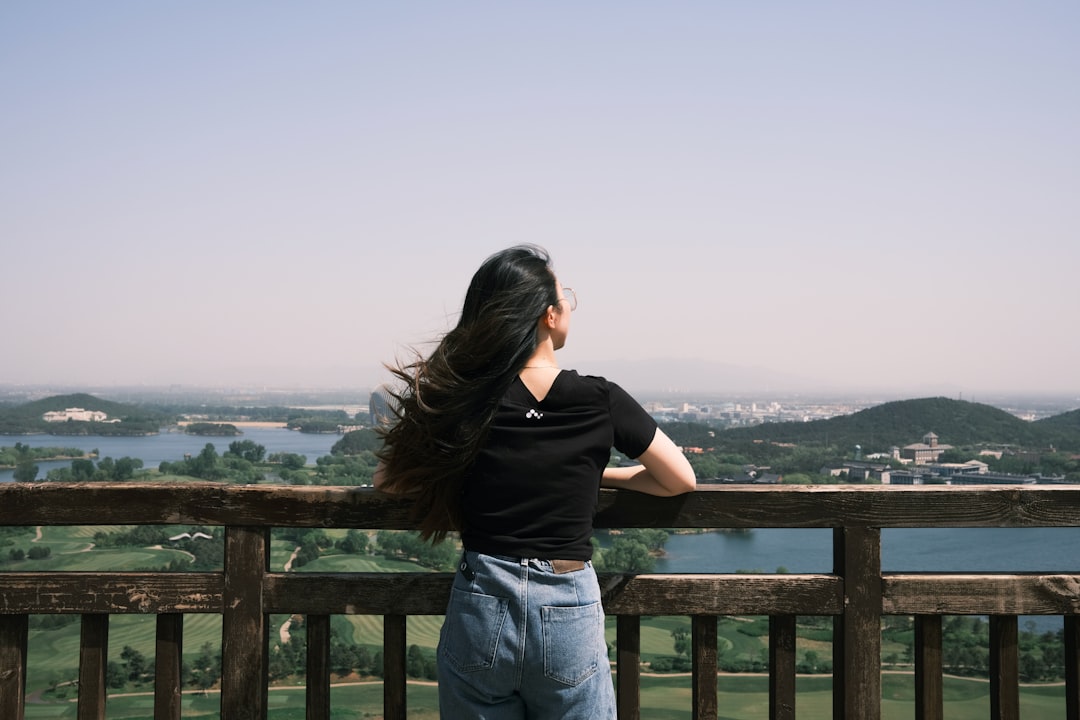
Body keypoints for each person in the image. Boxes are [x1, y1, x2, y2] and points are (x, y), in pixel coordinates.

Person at [374, 244, 695, 719]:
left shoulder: (467, 395)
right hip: (567, 604)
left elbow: (388, 480)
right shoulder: (600, 397)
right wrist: (602, 473)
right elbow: (679, 480)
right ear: (549, 314)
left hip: (481, 599)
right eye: (566, 297)